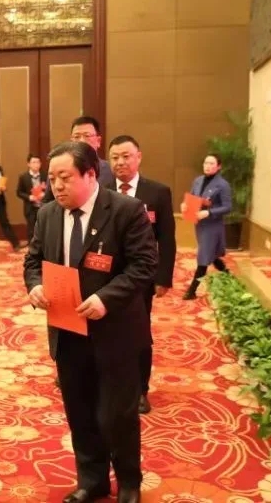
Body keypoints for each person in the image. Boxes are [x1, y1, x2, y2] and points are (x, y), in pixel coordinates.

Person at [24, 141, 157, 503]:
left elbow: (144, 265)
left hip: (115, 333)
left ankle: (128, 483)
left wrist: (105, 299)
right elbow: (33, 261)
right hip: (67, 332)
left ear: (90, 174)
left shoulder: (125, 210)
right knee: (80, 412)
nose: (57, 186)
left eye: (65, 177)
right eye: (52, 178)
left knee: (118, 415)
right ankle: (92, 480)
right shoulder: (48, 215)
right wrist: (34, 286)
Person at [107, 135, 176, 414]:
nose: (120, 162)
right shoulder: (100, 191)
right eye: (114, 157)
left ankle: (140, 390)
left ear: (139, 157)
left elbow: (166, 239)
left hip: (141, 279)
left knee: (138, 333)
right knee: (105, 334)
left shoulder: (157, 192)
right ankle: (109, 385)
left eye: (126, 156)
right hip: (105, 277)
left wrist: (163, 277)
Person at [181, 153, 232, 300]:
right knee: (211, 254)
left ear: (218, 166)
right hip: (200, 224)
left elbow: (227, 207)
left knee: (203, 256)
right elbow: (192, 198)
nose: (207, 166)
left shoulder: (223, 185)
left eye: (211, 164)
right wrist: (185, 205)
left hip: (213, 226)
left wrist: (209, 212)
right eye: (206, 163)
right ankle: (227, 275)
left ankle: (192, 291)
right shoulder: (198, 181)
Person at [44, 116, 114, 204]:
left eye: (87, 136)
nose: (81, 141)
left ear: (98, 141)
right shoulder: (58, 169)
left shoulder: (110, 170)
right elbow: (47, 202)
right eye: (77, 137)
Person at [16, 154, 47, 241]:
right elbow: (19, 192)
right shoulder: (23, 177)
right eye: (34, 162)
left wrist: (44, 194)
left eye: (38, 162)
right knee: (31, 230)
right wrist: (29, 197)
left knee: (43, 229)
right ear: (28, 164)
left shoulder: (45, 175)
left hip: (43, 207)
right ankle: (32, 247)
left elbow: (51, 189)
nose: (36, 164)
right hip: (30, 207)